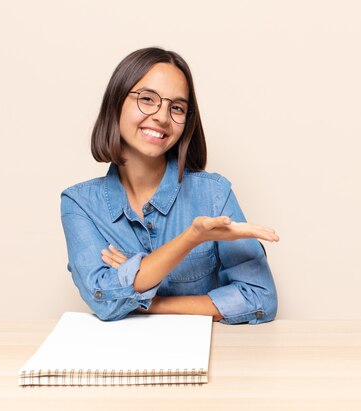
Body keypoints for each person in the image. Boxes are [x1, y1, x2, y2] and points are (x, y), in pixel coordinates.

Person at [60, 47, 279, 324]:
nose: (162, 117)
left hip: (207, 359)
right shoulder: (79, 204)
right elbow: (102, 298)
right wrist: (192, 237)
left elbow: (260, 298)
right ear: (116, 103)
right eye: (147, 99)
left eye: (176, 107)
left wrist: (146, 300)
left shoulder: (214, 195)